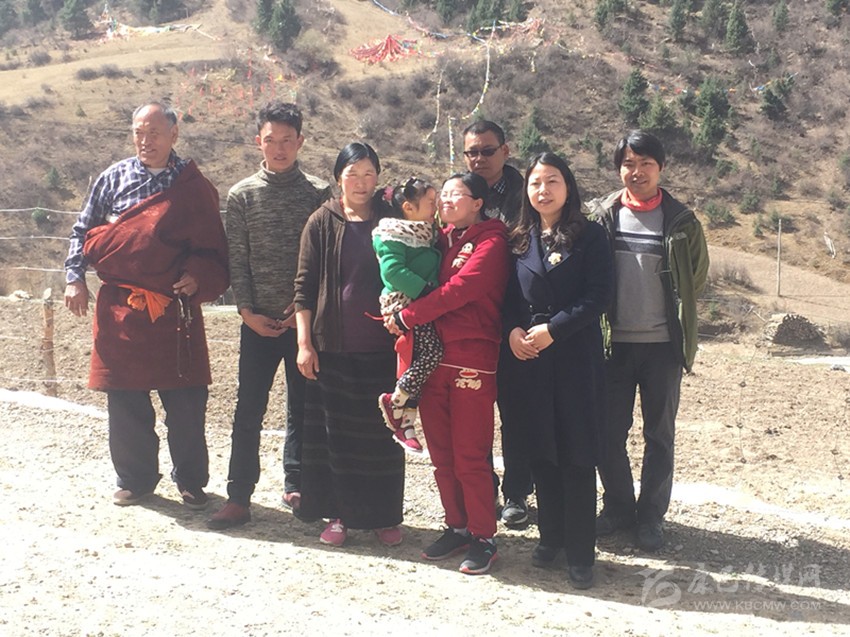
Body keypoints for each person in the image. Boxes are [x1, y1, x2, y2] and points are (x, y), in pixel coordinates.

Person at [63, 101, 229, 509]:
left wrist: (199, 276)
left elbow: (213, 248)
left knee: (186, 401)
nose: (145, 140)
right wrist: (74, 277)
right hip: (121, 307)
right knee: (125, 398)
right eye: (139, 132)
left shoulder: (190, 185)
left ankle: (190, 480)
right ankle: (135, 480)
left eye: (154, 132)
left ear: (174, 134)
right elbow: (83, 231)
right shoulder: (113, 177)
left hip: (174, 307)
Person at [207, 102, 331, 531]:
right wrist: (246, 312)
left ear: (301, 142)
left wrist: (304, 311)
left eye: (287, 140)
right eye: (271, 140)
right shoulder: (242, 194)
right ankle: (238, 496)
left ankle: (298, 486)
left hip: (304, 325)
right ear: (257, 142)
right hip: (257, 323)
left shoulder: (318, 193)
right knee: (248, 409)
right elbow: (237, 260)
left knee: (304, 408)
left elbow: (323, 261)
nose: (279, 148)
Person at [588, 130, 709, 552]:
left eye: (645, 164)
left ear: (661, 168)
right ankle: (619, 507)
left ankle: (651, 516)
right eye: (628, 164)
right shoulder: (601, 216)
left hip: (662, 346)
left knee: (659, 435)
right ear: (618, 168)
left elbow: (694, 279)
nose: (636, 172)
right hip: (613, 344)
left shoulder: (682, 222)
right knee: (607, 433)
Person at [386, 172, 509, 575]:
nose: (447, 200)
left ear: (478, 203)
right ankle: (456, 526)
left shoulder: (491, 242)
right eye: (444, 194)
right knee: (442, 454)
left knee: (470, 454)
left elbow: (461, 290)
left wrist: (409, 315)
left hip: (471, 356)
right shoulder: (438, 239)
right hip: (433, 355)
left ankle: (484, 536)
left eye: (457, 194)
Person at [502, 153, 613, 589]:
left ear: (568, 187)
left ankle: (581, 552)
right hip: (530, 358)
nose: (543, 190)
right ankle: (551, 538)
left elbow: (599, 295)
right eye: (535, 183)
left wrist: (556, 329)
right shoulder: (518, 238)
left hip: (574, 356)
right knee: (542, 450)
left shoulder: (591, 236)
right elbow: (506, 297)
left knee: (576, 453)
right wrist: (512, 331)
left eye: (552, 181)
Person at [293, 142, 405, 548]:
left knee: (382, 437)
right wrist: (305, 343)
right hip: (333, 349)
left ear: (378, 178)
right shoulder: (321, 221)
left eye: (369, 174)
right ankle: (338, 516)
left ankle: (383, 517)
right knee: (335, 439)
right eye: (352, 174)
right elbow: (303, 288)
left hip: (385, 349)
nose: (361, 183)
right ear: (338, 178)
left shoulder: (392, 219)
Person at [462, 119, 532, 527]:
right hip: (471, 321)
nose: (479, 159)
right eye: (472, 152)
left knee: (516, 411)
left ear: (505, 151)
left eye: (487, 151)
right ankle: (481, 487)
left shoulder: (527, 195)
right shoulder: (459, 193)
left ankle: (517, 493)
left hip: (514, 317)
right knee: (473, 413)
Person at [373, 178, 441, 456]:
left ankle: (405, 427)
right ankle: (395, 400)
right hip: (406, 305)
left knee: (416, 364)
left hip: (421, 304)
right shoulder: (392, 233)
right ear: (408, 208)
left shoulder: (426, 232)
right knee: (430, 355)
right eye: (430, 202)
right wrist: (426, 293)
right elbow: (392, 271)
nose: (436, 207)